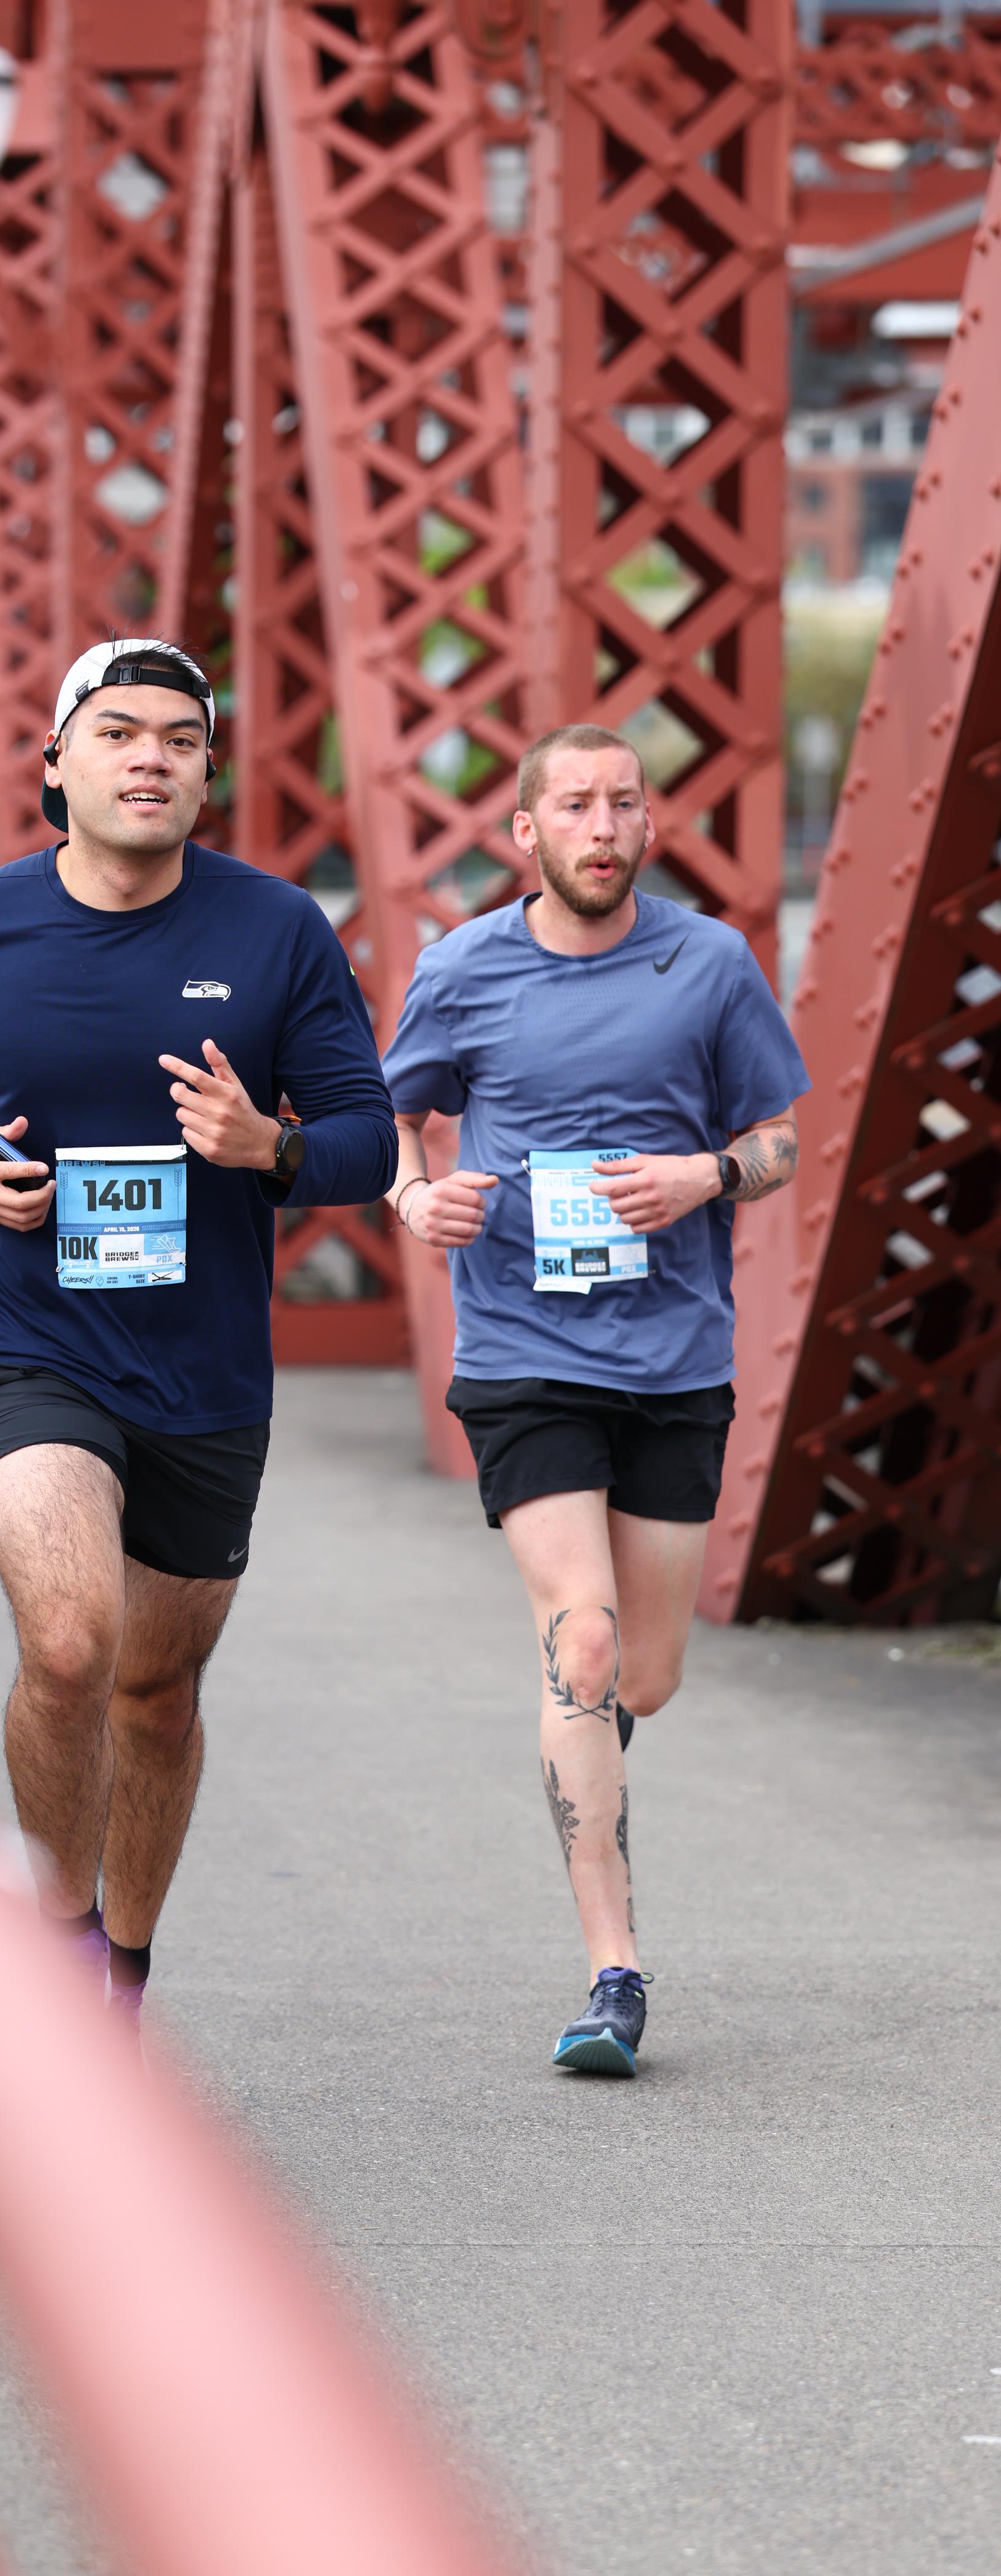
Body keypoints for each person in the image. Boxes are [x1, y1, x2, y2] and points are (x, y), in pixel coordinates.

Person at [0, 638, 396, 2032]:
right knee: (69, 1642)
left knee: (154, 1690)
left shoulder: (275, 930)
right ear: (56, 761)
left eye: (179, 737)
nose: (149, 755)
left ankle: (122, 1969)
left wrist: (269, 1145)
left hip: (202, 1363)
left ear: (207, 773)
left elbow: (367, 1137)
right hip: (24, 1329)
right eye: (115, 731)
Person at [382, 723, 809, 2078]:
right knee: (581, 1640)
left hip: (674, 1358)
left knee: (646, 1676)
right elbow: (395, 1120)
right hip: (521, 1351)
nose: (603, 826)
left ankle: (588, 1737)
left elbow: (780, 1140)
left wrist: (706, 1178)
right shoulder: (460, 969)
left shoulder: (709, 962)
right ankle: (612, 1974)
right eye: (574, 804)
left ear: (647, 823)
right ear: (526, 831)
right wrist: (415, 1197)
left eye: (623, 803)